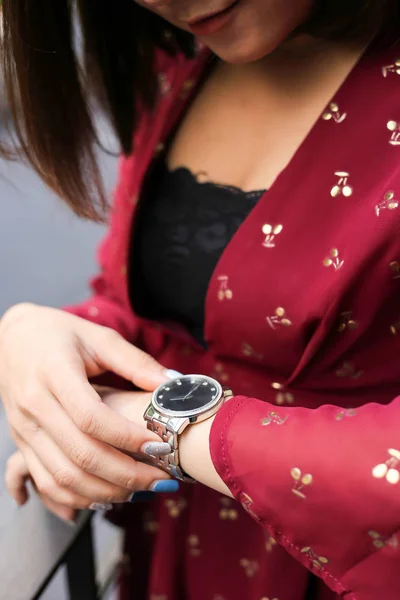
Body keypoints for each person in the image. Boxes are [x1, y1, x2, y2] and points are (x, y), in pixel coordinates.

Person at [2, 0, 400, 598]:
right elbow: (167, 305)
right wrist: (44, 346)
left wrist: (177, 431)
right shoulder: (185, 53)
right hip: (178, 560)